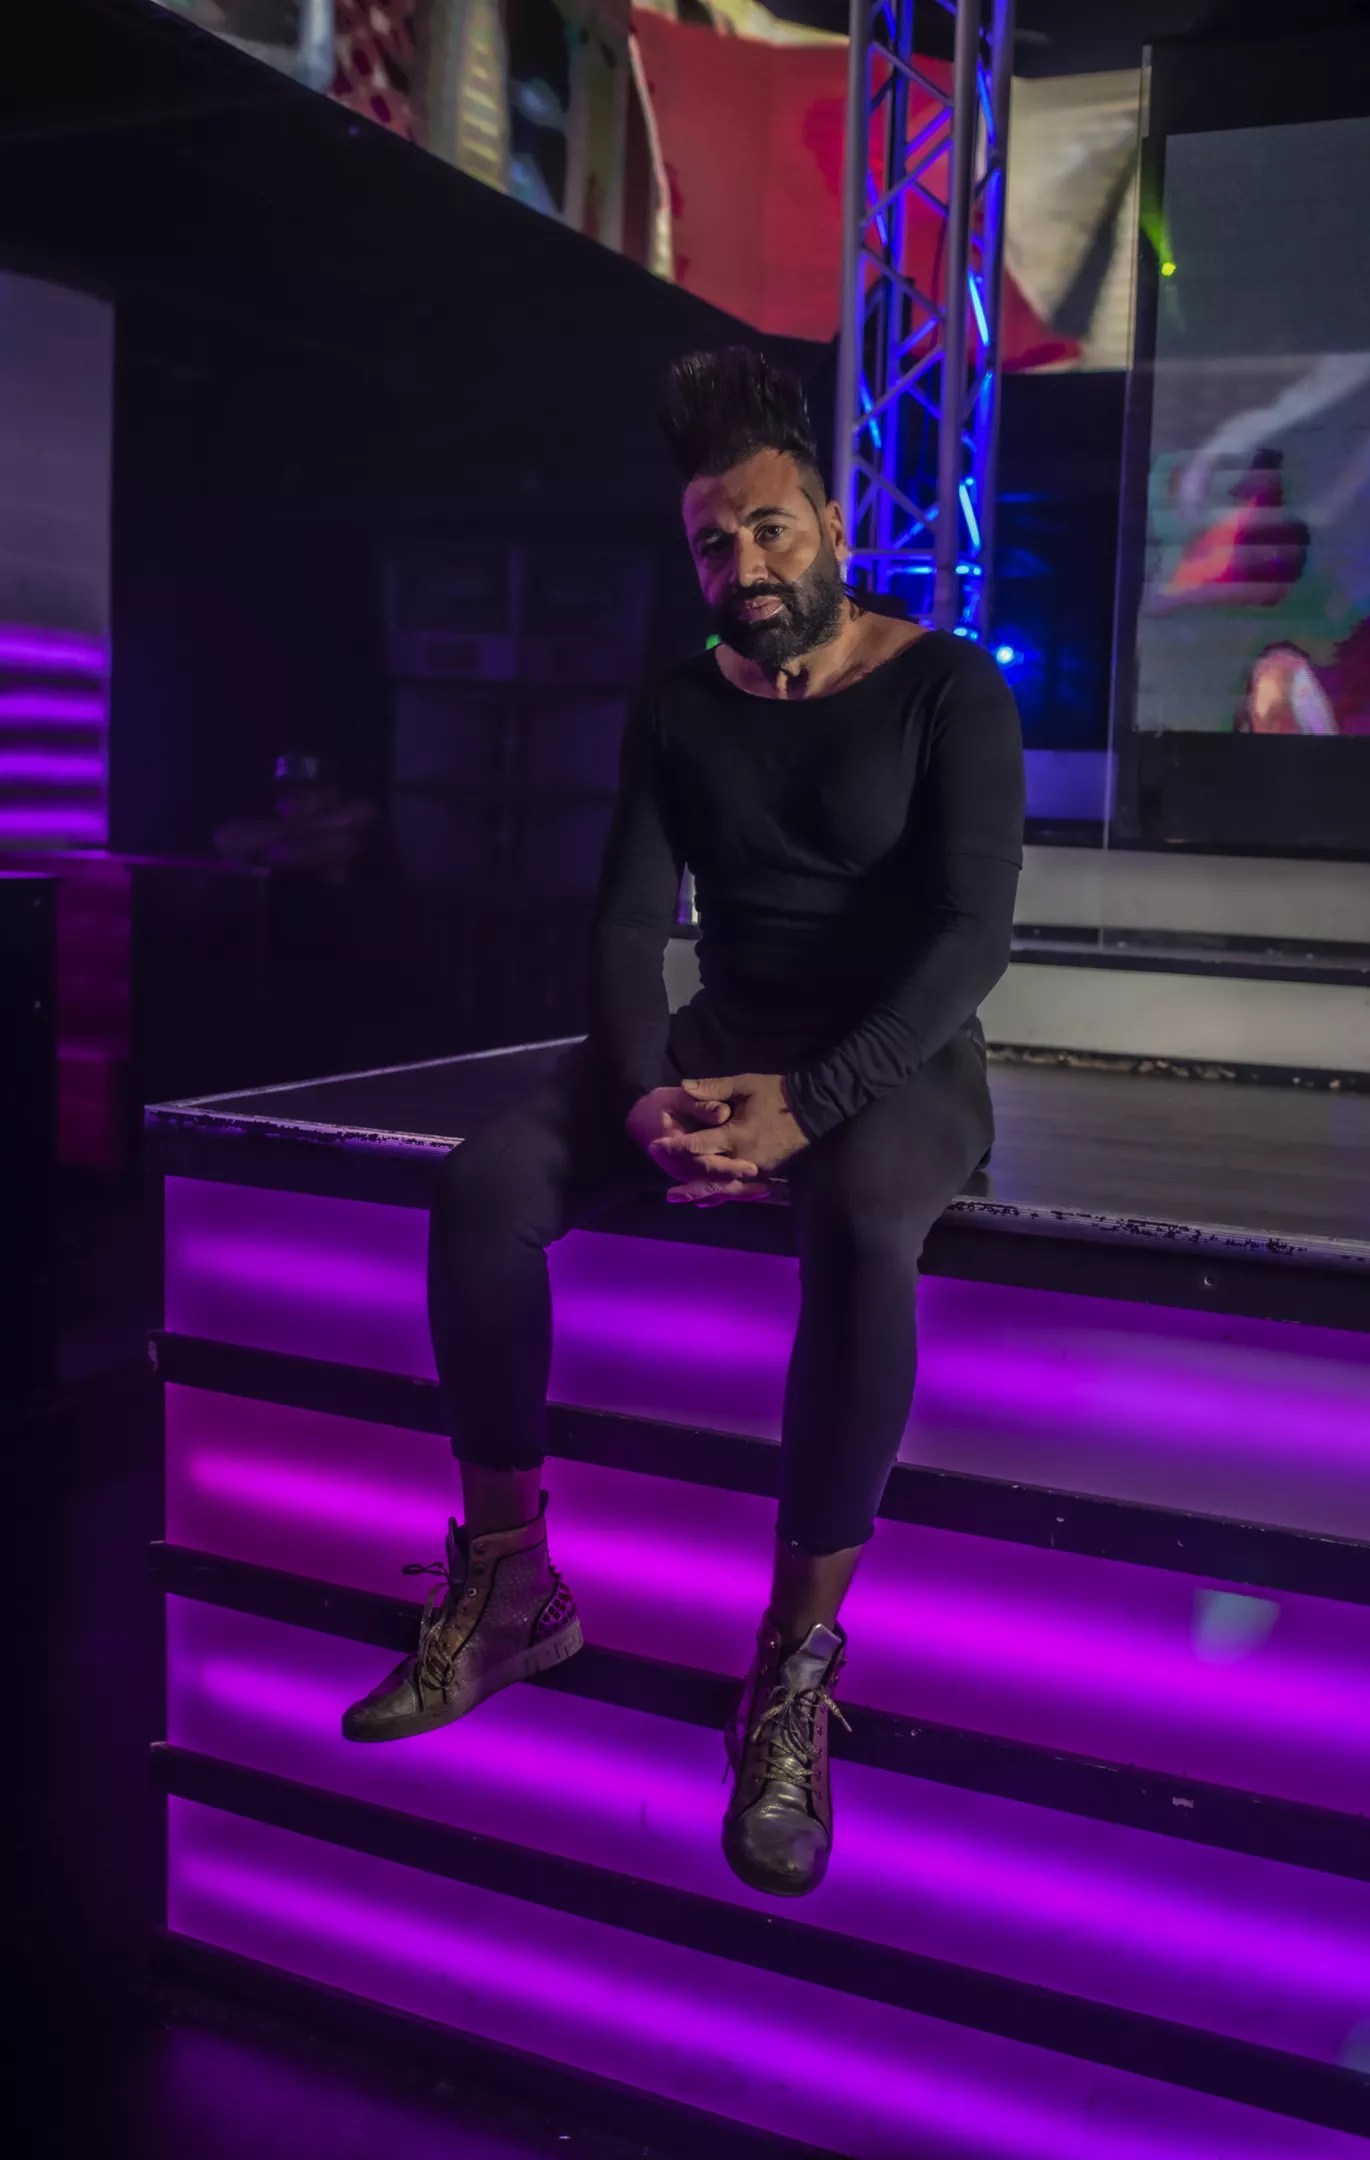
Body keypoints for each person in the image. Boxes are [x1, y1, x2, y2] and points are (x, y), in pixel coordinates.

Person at [342, 349, 1026, 1897]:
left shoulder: (948, 688)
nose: (746, 565)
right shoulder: (676, 704)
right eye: (715, 544)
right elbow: (625, 920)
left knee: (861, 1224)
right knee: (485, 1188)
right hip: (727, 1037)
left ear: (832, 523)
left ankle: (791, 1670)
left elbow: (971, 937)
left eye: (771, 529)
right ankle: (511, 1585)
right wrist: (648, 1086)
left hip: (899, 1058)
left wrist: (815, 1104)